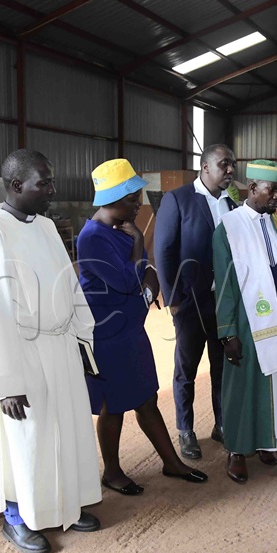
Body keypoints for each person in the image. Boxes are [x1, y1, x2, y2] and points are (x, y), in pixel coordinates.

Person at [0, 149, 102, 553]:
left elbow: (70, 285)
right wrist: (6, 383)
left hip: (60, 347)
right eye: (45, 183)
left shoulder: (44, 227)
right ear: (16, 185)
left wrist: (81, 339)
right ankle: (15, 518)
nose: (53, 190)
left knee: (65, 430)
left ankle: (64, 508)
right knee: (25, 439)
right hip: (20, 356)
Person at [77, 159, 208, 496]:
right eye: (133, 199)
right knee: (113, 404)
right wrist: (139, 248)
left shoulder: (116, 230)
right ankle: (113, 471)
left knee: (146, 397)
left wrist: (144, 276)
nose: (139, 205)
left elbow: (144, 275)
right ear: (113, 199)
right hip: (108, 335)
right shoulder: (93, 237)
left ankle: (171, 462)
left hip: (131, 330)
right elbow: (127, 280)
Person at [212, 159, 277, 484]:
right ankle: (237, 451)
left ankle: (268, 442)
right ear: (253, 188)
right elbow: (224, 284)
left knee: (276, 383)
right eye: (273, 190)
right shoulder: (228, 226)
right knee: (243, 386)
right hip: (245, 320)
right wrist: (228, 332)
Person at [153, 144, 237, 459]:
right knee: (186, 368)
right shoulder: (178, 200)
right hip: (190, 302)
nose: (230, 170)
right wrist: (173, 299)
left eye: (232, 165)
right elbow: (163, 250)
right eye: (224, 164)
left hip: (223, 301)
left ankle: (221, 425)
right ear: (205, 167)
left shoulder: (232, 203)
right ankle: (185, 430)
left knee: (223, 367)